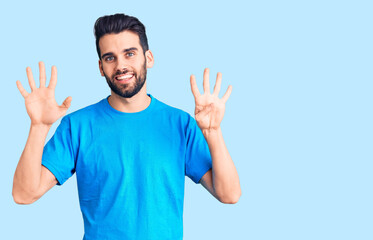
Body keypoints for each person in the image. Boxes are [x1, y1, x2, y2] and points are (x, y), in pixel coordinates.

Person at [12, 13, 241, 240]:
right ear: (101, 67)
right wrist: (39, 126)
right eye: (110, 58)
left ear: (148, 58)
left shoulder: (180, 124)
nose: (121, 65)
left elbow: (229, 194)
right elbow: (24, 194)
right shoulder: (77, 126)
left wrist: (213, 132)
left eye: (129, 54)